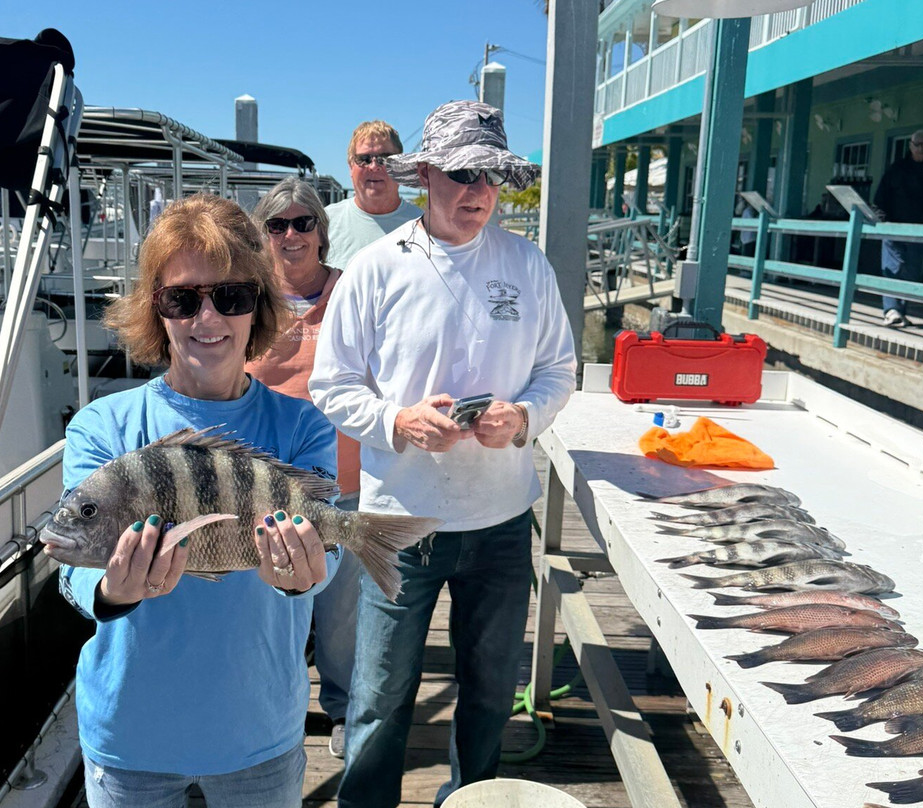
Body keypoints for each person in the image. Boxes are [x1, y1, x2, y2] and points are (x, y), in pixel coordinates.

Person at [308, 100, 578, 808]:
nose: (478, 192)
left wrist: (521, 416)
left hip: (500, 524)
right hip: (399, 527)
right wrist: (397, 422)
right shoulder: (373, 269)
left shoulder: (528, 264)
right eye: (461, 173)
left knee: (490, 694)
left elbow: (559, 371)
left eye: (491, 176)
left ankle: (472, 800)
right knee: (377, 697)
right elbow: (330, 384)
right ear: (425, 174)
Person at [55, 193, 339, 808]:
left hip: (259, 735)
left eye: (231, 297)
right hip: (131, 739)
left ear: (257, 307)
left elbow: (326, 562)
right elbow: (71, 567)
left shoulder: (303, 428)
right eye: (182, 299)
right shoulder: (102, 427)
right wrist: (110, 590)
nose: (206, 319)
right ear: (155, 311)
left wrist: (303, 574)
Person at [246, 176, 361, 759]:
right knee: (267, 608)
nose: (291, 235)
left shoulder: (353, 292)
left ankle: (343, 707)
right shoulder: (244, 299)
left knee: (341, 613)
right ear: (263, 236)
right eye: (277, 224)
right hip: (260, 489)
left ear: (322, 231)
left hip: (343, 479)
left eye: (303, 222)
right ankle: (271, 712)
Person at [325, 120, 422, 268]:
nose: (374, 166)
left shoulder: (425, 226)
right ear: (351, 166)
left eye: (384, 159)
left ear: (400, 166)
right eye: (364, 159)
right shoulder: (324, 223)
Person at [873, 129, 923, 328]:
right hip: (894, 227)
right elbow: (881, 197)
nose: (922, 149)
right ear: (911, 146)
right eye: (918, 145)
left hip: (921, 231)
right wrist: (882, 220)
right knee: (892, 269)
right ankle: (891, 310)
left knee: (912, 272)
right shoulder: (897, 168)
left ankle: (900, 310)